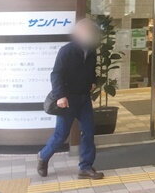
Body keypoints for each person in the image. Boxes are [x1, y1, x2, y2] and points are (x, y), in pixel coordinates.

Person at [37, 19, 105, 180]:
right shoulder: (67, 51)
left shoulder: (92, 51)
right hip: (67, 100)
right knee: (61, 135)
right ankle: (43, 156)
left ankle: (85, 167)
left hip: (84, 98)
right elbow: (56, 74)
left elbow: (91, 71)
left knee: (88, 132)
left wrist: (93, 82)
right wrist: (60, 96)